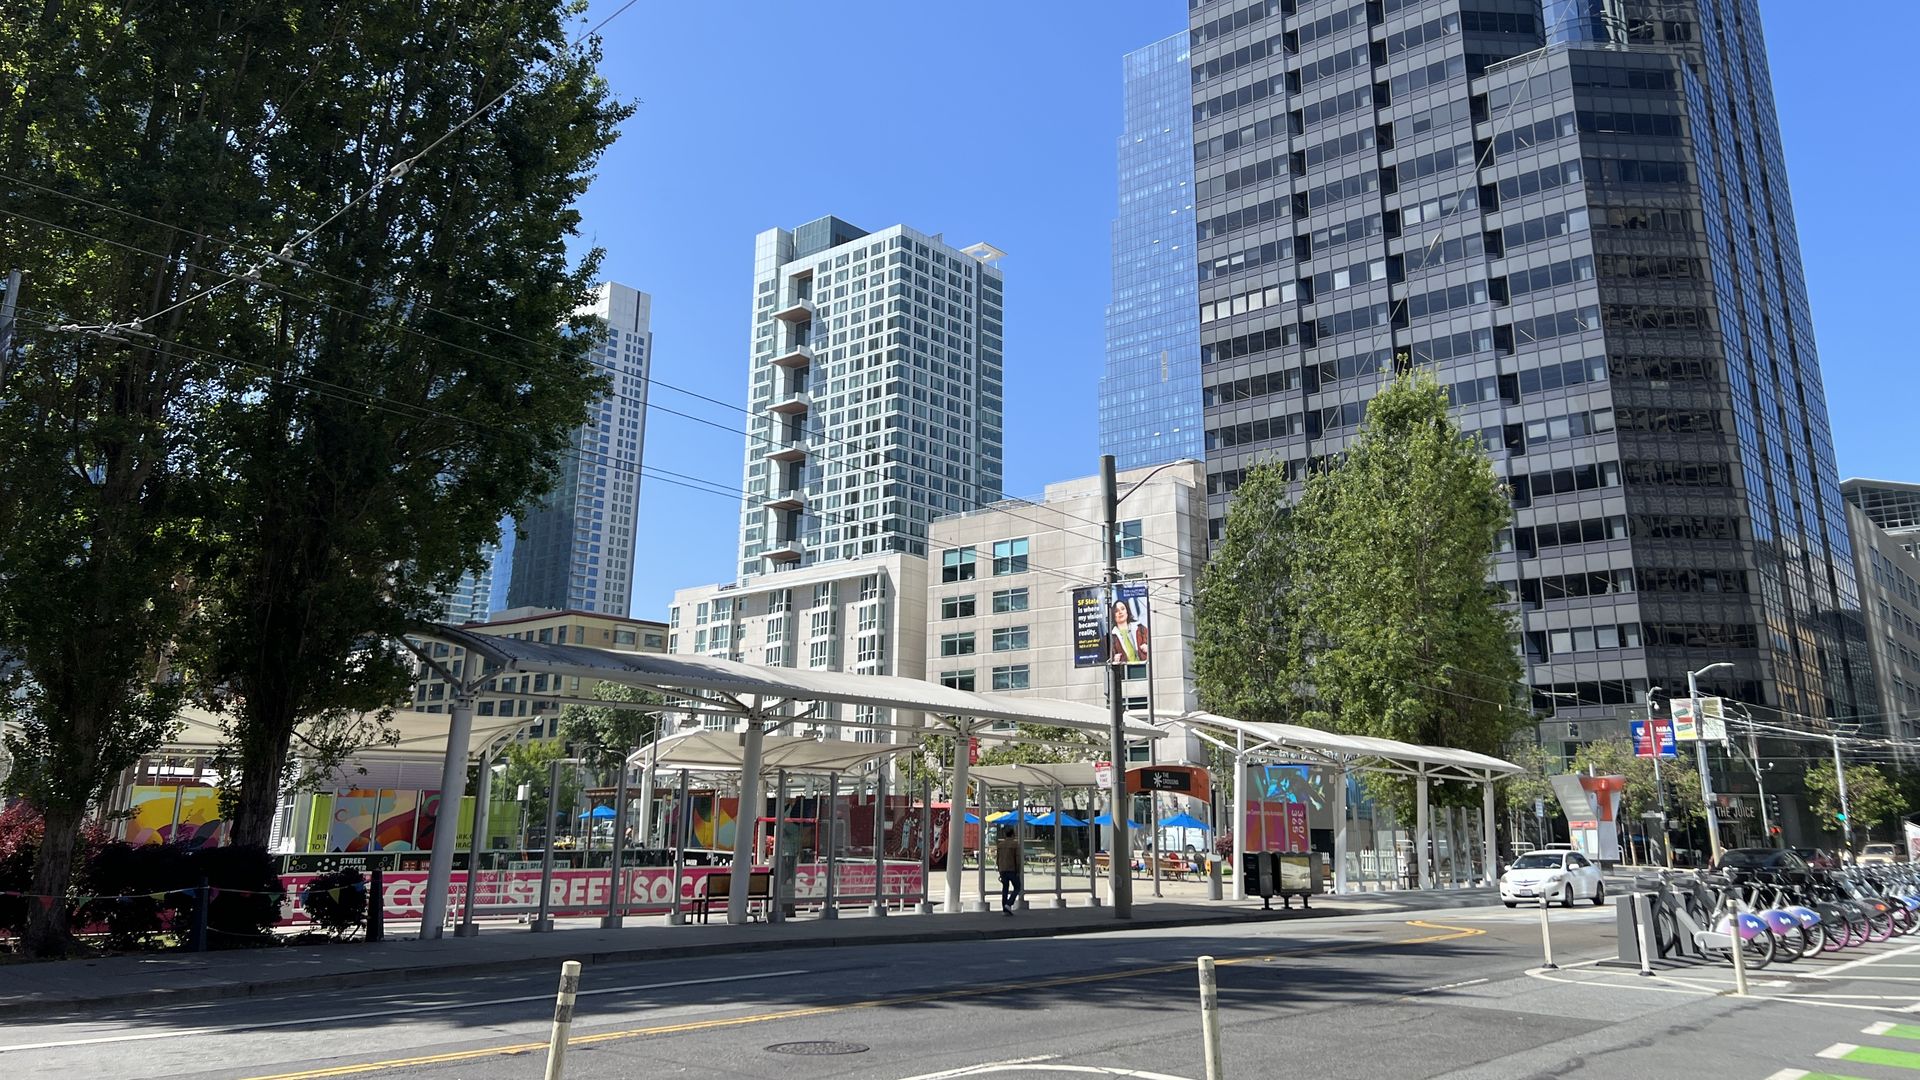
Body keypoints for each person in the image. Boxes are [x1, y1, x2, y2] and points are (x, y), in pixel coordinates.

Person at [994, 826, 1024, 915]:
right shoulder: (1015, 845)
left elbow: (998, 858)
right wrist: (1018, 870)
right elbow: (1017, 859)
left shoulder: (1000, 845)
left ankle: (1004, 908)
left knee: (1005, 888)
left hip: (1003, 869)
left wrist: (999, 869)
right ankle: (1009, 904)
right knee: (1017, 887)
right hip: (1012, 869)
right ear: (1013, 834)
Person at [1108, 599, 1148, 664]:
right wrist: (1114, 659)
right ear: (1113, 615)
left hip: (1142, 666)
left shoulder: (1141, 629)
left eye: (1122, 609)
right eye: (1116, 611)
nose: (1120, 612)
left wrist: (1147, 648)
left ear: (1127, 611)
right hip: (1124, 670)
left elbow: (1152, 647)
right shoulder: (1111, 636)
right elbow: (1108, 659)